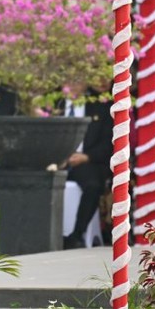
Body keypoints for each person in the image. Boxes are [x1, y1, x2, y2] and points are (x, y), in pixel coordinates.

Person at [61, 82, 114, 250]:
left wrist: (86, 157)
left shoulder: (101, 105)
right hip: (55, 161)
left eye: (78, 78)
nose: (73, 83)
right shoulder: (52, 104)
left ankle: (76, 235)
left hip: (85, 161)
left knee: (93, 185)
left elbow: (108, 143)